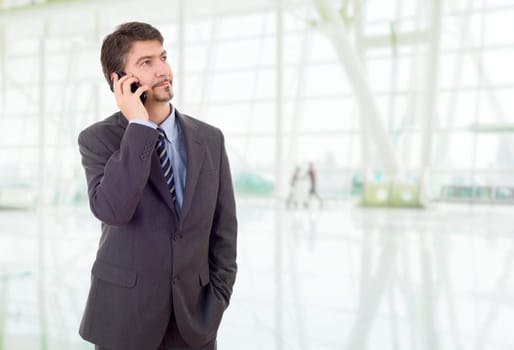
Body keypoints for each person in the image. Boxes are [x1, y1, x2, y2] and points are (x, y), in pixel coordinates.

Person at [77, 22, 237, 350]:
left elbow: (224, 232)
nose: (163, 69)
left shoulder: (210, 139)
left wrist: (217, 300)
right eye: (147, 63)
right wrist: (139, 126)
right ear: (120, 80)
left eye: (163, 57)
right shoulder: (98, 139)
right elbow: (112, 209)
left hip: (195, 325)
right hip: (124, 321)